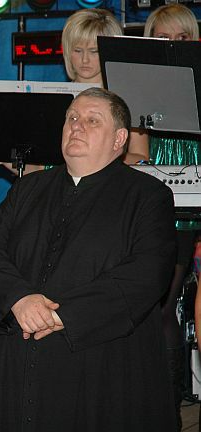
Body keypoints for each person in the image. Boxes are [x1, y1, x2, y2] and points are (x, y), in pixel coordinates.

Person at [0, 87, 177, 431]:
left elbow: (147, 273)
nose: (77, 125)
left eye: (92, 120)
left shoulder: (148, 195)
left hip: (99, 361)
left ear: (119, 139)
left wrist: (62, 315)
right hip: (21, 347)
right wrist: (19, 300)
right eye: (71, 118)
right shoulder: (27, 189)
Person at [0, 9, 148, 175]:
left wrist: (97, 156)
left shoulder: (127, 98)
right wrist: (6, 159)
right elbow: (41, 171)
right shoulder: (53, 100)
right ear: (66, 51)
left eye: (94, 51)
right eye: (77, 50)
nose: (85, 59)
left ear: (111, 51)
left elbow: (141, 158)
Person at [142, 4, 201, 430]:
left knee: (172, 303)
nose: (173, 46)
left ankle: (171, 412)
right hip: (159, 199)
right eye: (164, 38)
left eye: (182, 38)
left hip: (194, 195)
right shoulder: (136, 81)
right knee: (160, 304)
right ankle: (163, 411)